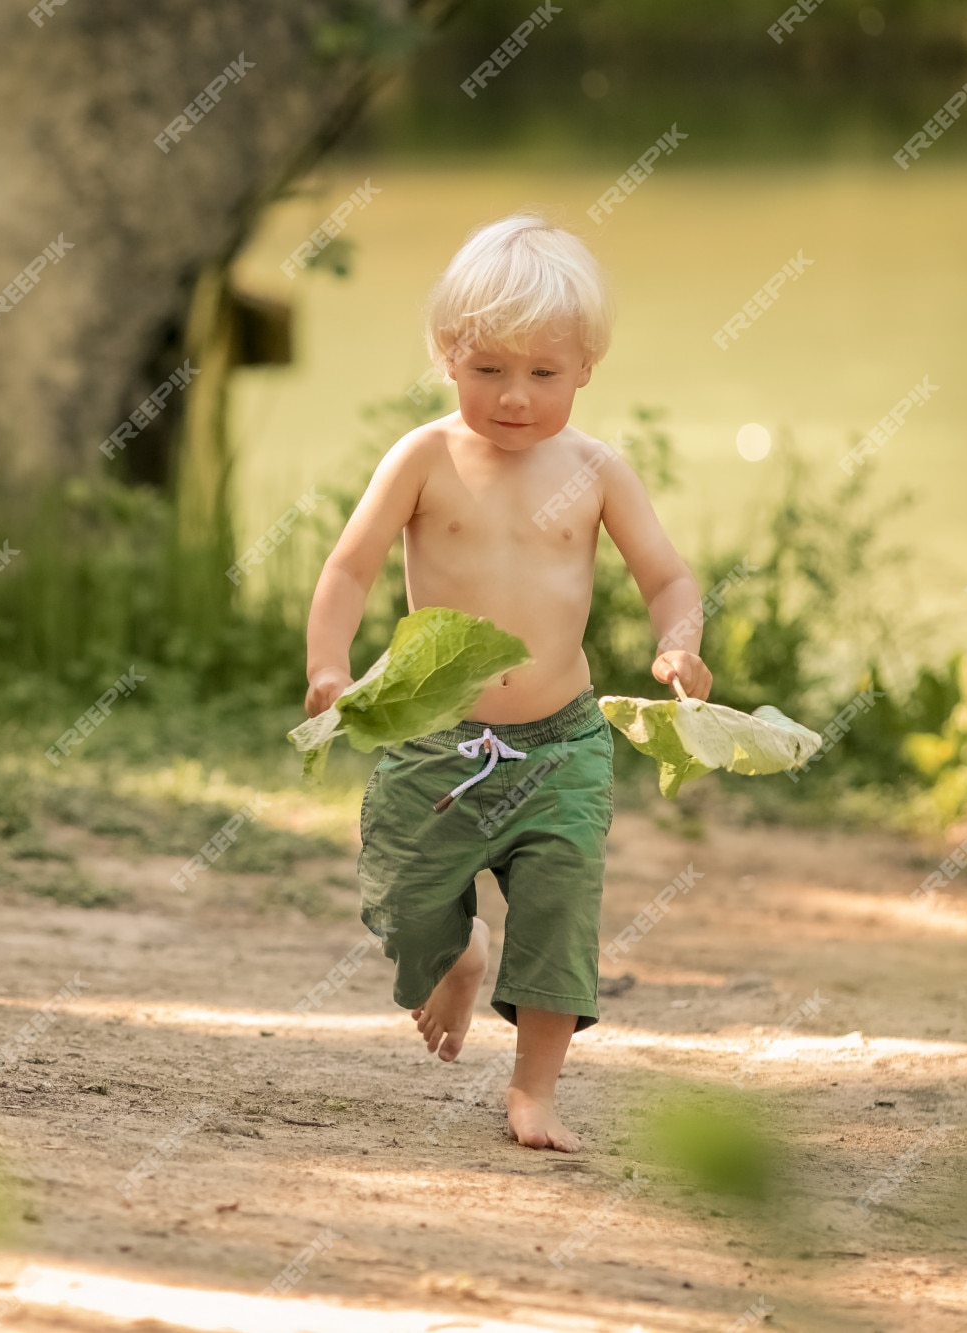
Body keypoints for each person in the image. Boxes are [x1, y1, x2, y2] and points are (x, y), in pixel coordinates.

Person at [301, 214, 712, 1151]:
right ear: (450, 355)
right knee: (405, 904)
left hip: (560, 744)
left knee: (562, 911)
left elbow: (668, 577)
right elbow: (348, 568)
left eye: (543, 374)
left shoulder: (597, 469)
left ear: (585, 368)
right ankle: (455, 952)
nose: (516, 399)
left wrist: (678, 644)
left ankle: (534, 1090)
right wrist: (331, 663)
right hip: (433, 738)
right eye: (489, 371)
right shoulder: (424, 458)